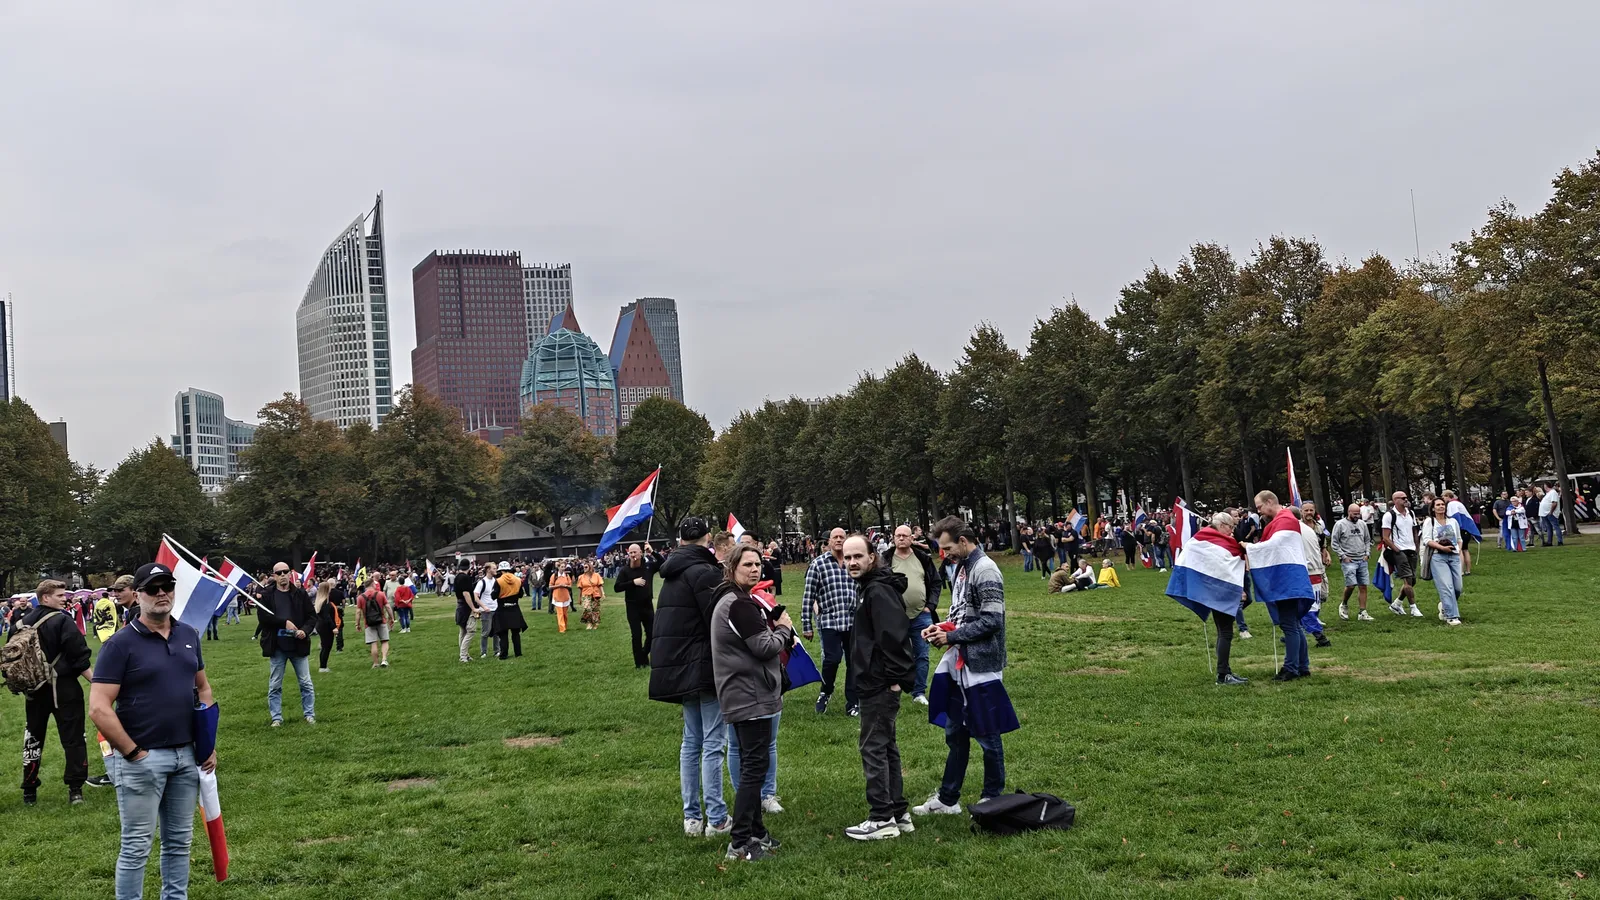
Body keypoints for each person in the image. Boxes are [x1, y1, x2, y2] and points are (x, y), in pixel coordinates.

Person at [90, 561, 216, 900]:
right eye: (152, 589)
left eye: (167, 587)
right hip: (142, 759)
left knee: (179, 842)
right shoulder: (120, 644)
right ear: (138, 595)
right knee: (136, 846)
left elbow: (202, 688)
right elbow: (99, 707)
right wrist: (133, 753)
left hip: (187, 756)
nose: (161, 594)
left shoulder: (188, 634)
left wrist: (206, 742)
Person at [914, 516, 1018, 818]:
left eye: (947, 548)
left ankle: (992, 797)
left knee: (987, 733)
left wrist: (951, 636)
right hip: (962, 660)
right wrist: (940, 628)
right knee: (955, 731)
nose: (943, 554)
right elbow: (964, 615)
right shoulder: (961, 568)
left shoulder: (985, 569)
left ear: (963, 540)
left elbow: (991, 621)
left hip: (982, 664)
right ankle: (948, 799)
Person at [710, 543, 795, 861]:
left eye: (758, 564)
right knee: (754, 768)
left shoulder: (735, 601)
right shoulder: (739, 604)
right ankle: (741, 841)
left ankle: (757, 832)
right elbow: (763, 647)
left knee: (751, 765)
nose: (755, 569)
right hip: (750, 694)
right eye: (747, 564)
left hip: (744, 692)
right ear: (731, 569)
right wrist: (784, 629)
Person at [650, 518, 732, 838]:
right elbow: (719, 620)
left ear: (682, 538)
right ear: (707, 538)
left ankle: (692, 818)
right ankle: (717, 818)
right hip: (703, 665)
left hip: (680, 665)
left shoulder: (673, 572)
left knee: (691, 742)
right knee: (713, 742)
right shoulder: (704, 572)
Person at [841, 535, 915, 841]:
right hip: (875, 680)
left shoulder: (878, 590)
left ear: (873, 557)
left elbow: (893, 638)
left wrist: (895, 679)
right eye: (847, 558)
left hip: (880, 683)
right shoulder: (870, 588)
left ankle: (882, 817)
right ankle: (898, 811)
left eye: (858, 556)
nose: (852, 562)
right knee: (885, 746)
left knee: (873, 746)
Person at [13, 580, 94, 806]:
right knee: (74, 738)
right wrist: (96, 682)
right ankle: (75, 789)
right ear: (45, 597)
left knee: (33, 738)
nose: (64, 598)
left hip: (33, 689)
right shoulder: (62, 620)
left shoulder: (19, 621)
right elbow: (79, 657)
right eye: (59, 595)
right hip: (64, 688)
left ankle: (29, 790)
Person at [1247, 492, 1317, 681]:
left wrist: (1248, 547)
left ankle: (1290, 668)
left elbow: (1273, 546)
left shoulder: (1285, 519)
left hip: (1287, 580)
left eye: (1260, 506)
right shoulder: (1282, 520)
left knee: (1289, 626)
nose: (1258, 511)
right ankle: (1303, 666)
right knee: (1294, 625)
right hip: (1289, 579)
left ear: (1270, 502)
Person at [801, 528, 859, 716]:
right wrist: (806, 625)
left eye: (843, 537)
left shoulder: (854, 563)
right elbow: (808, 597)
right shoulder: (818, 565)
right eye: (836, 537)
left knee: (854, 662)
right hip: (829, 620)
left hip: (852, 621)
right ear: (828, 542)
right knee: (832, 659)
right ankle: (826, 691)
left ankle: (853, 702)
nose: (839, 540)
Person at [881, 525, 940, 705]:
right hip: (895, 617)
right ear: (893, 538)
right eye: (898, 535)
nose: (901, 538)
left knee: (922, 654)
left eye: (905, 536)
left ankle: (919, 692)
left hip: (922, 615)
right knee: (894, 654)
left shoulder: (922, 558)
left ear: (911, 538)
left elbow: (936, 582)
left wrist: (930, 606)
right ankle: (893, 689)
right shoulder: (886, 559)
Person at [258, 562, 316, 726]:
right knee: (275, 684)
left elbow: (311, 616)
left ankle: (309, 714)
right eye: (279, 573)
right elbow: (263, 618)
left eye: (285, 572)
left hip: (298, 644)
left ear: (290, 574)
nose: (283, 575)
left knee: (305, 682)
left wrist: (304, 630)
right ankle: (276, 718)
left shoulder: (300, 594)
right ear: (274, 576)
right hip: (277, 646)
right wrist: (284, 623)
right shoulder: (267, 595)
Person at [614, 543, 661, 668]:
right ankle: (639, 663)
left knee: (652, 633)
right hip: (632, 606)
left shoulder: (648, 567)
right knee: (636, 634)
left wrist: (653, 552)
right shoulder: (625, 570)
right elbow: (617, 587)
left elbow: (663, 564)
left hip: (647, 605)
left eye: (635, 552)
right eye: (631, 553)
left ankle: (643, 654)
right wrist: (633, 582)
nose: (633, 555)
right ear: (628, 554)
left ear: (641, 553)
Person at [1380, 492, 1424, 617]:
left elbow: (1414, 530)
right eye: (1403, 498)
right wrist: (1397, 550)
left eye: (1406, 498)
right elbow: (1385, 537)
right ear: (1395, 500)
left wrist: (1416, 546)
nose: (1406, 500)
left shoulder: (1411, 513)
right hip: (1398, 551)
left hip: (1411, 549)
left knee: (1412, 580)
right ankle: (1413, 607)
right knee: (1408, 579)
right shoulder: (1389, 515)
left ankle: (1397, 603)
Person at [1423, 498, 1465, 625]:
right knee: (1447, 586)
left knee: (1458, 587)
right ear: (1433, 508)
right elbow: (1427, 540)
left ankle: (1444, 605)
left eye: (1443, 504)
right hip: (1438, 557)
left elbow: (1459, 538)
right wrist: (1441, 547)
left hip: (1453, 556)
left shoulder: (1452, 521)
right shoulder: (1429, 522)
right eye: (1438, 505)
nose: (1441, 507)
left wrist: (1458, 549)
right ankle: (1451, 616)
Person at [1297, 504, 1333, 649]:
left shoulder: (1314, 528)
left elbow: (1322, 546)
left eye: (1311, 510)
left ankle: (1320, 637)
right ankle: (1293, 632)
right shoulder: (1303, 529)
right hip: (1312, 569)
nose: (1309, 512)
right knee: (1307, 604)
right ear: (1300, 512)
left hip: (1310, 570)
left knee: (1309, 605)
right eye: (1306, 510)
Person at [1331, 503, 1374, 621]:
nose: (1357, 516)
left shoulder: (1362, 524)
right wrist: (1343, 556)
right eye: (1354, 514)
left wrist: (1367, 554)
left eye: (1358, 513)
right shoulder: (1340, 525)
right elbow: (1334, 543)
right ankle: (1344, 604)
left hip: (1362, 558)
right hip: (1348, 560)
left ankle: (1362, 612)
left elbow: (1367, 540)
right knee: (1350, 585)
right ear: (1349, 512)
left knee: (1363, 585)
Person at [493, 561, 526, 658]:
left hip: (503, 608)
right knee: (516, 633)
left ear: (501, 571)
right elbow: (520, 594)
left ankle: (504, 654)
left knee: (503, 633)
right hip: (515, 607)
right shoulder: (518, 580)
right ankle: (518, 653)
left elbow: (493, 596)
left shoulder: (499, 581)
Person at [357, 579, 392, 668]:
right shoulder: (380, 594)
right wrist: (391, 618)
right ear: (373, 584)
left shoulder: (360, 597)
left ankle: (376, 663)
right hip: (381, 620)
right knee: (384, 641)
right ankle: (384, 659)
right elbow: (387, 606)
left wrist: (357, 624)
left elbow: (358, 612)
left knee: (373, 643)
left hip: (368, 622)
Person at [454, 564, 482, 663]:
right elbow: (466, 594)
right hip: (466, 607)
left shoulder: (457, 577)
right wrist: (473, 608)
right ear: (469, 567)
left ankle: (464, 654)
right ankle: (463, 656)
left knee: (463, 631)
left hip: (459, 606)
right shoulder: (465, 578)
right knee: (471, 630)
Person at [314, 579, 338, 672]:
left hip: (320, 626)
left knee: (324, 646)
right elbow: (327, 617)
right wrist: (334, 627)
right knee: (327, 646)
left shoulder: (319, 601)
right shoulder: (326, 603)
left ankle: (323, 665)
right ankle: (323, 666)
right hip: (326, 627)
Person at [578, 561, 606, 630]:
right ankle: (589, 623)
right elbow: (580, 588)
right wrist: (579, 598)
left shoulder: (596, 575)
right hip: (585, 594)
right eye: (584, 567)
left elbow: (600, 585)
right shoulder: (581, 577)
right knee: (587, 608)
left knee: (595, 609)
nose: (584, 568)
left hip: (595, 594)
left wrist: (603, 593)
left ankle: (595, 623)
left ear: (590, 568)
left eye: (586, 567)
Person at [550, 564, 574, 634]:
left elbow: (570, 585)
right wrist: (558, 586)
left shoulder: (566, 576)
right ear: (558, 567)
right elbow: (550, 586)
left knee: (565, 614)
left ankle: (565, 626)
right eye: (562, 567)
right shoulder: (554, 576)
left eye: (564, 567)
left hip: (565, 596)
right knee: (560, 613)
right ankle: (562, 628)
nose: (563, 568)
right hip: (557, 596)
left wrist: (566, 586)